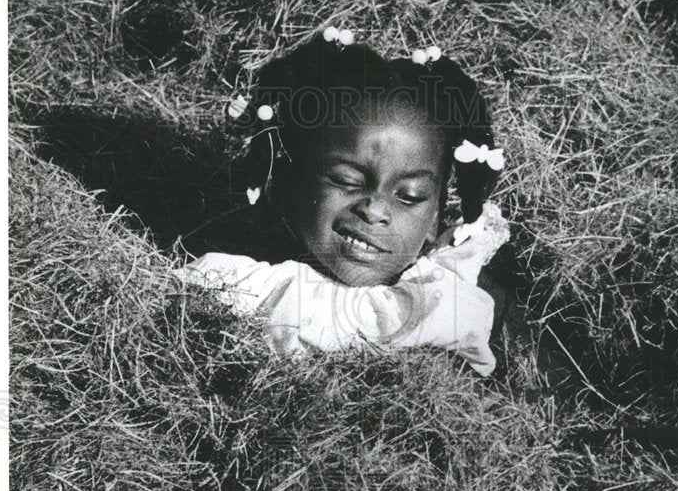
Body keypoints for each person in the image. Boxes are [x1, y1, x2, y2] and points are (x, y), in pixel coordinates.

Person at [178, 27, 511, 375]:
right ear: (289, 183)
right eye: (346, 180)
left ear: (435, 218)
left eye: (410, 196)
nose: (375, 210)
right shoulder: (238, 286)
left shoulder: (448, 300)